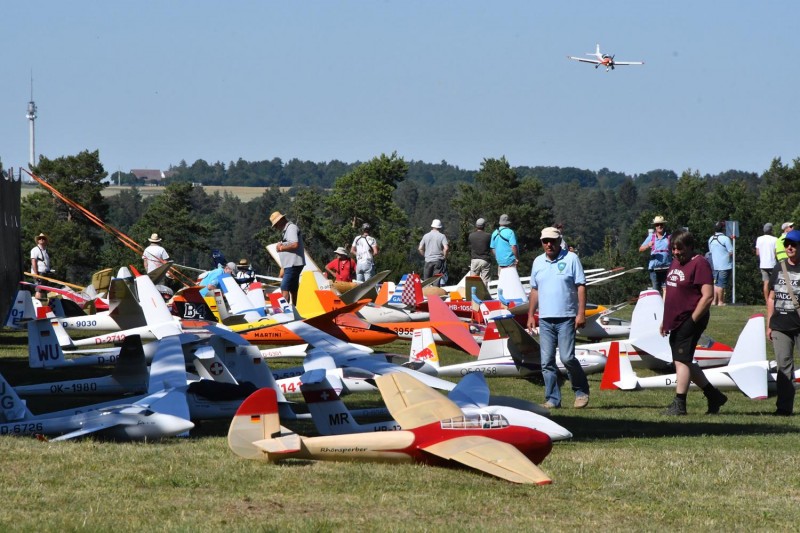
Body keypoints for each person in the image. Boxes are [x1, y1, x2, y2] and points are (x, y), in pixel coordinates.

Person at [660, 229, 728, 416]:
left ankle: (680, 404)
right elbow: (671, 291)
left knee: (681, 360)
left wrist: (692, 320)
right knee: (683, 360)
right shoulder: (675, 262)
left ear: (690, 247)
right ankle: (714, 395)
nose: (676, 253)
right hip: (676, 319)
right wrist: (665, 320)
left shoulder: (700, 263)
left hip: (691, 318)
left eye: (680, 249)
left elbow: (707, 296)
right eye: (673, 249)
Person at [527, 226, 590, 410]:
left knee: (567, 358)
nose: (549, 244)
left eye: (552, 241)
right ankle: (553, 399)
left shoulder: (571, 259)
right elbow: (535, 289)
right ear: (541, 242)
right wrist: (531, 314)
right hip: (545, 319)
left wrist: (581, 313)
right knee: (546, 361)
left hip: (566, 317)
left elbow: (581, 286)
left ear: (559, 241)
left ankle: (581, 392)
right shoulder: (538, 262)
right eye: (545, 241)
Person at [766, 227, 800, 416]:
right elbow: (771, 298)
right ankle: (784, 408)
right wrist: (769, 324)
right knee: (783, 367)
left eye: (793, 244)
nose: (789, 247)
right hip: (780, 325)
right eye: (787, 244)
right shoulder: (779, 267)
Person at [270, 211, 305, 305]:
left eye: (276, 225)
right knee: (293, 287)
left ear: (280, 221)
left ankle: (286, 310)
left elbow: (294, 244)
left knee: (284, 287)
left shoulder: (291, 228)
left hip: (293, 263)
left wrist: (281, 247)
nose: (276, 227)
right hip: (291, 263)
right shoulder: (287, 230)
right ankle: (295, 307)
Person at [638, 216, 671, 294]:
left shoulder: (669, 237)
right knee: (656, 291)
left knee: (667, 290)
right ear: (655, 226)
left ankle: (665, 302)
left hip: (667, 268)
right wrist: (648, 245)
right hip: (654, 270)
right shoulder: (651, 237)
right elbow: (640, 249)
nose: (659, 226)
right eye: (657, 224)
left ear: (664, 225)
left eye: (661, 224)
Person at [708, 221, 733, 306]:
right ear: (723, 229)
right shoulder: (725, 239)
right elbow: (731, 252)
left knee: (716, 283)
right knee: (721, 284)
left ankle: (714, 301)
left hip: (715, 265)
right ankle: (720, 302)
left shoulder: (711, 239)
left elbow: (711, 251)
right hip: (725, 265)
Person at [418, 219, 449, 285]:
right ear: (440, 227)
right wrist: (444, 257)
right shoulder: (442, 236)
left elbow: (420, 248)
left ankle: (426, 291)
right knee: (436, 281)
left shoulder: (426, 236)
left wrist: (425, 255)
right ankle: (435, 291)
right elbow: (446, 248)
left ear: (432, 226)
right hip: (438, 261)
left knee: (426, 282)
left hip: (428, 260)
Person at [755, 223, 778, 303]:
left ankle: (767, 301)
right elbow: (776, 253)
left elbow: (757, 253)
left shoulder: (759, 239)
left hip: (763, 264)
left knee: (766, 283)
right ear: (771, 230)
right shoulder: (775, 239)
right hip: (772, 264)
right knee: (775, 283)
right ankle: (773, 300)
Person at [467, 218, 492, 289]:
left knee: (473, 281)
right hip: (485, 260)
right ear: (484, 226)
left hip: (475, 260)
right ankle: (484, 294)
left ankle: (474, 294)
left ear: (476, 225)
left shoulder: (471, 236)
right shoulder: (488, 236)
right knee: (485, 281)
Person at [30, 232, 52, 299]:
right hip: (39, 273)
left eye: (43, 238)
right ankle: (37, 303)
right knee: (39, 290)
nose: (41, 239)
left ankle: (43, 303)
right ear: (38, 240)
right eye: (40, 238)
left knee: (44, 290)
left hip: (45, 273)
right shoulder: (35, 250)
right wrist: (36, 274)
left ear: (45, 241)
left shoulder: (45, 251)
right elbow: (33, 261)